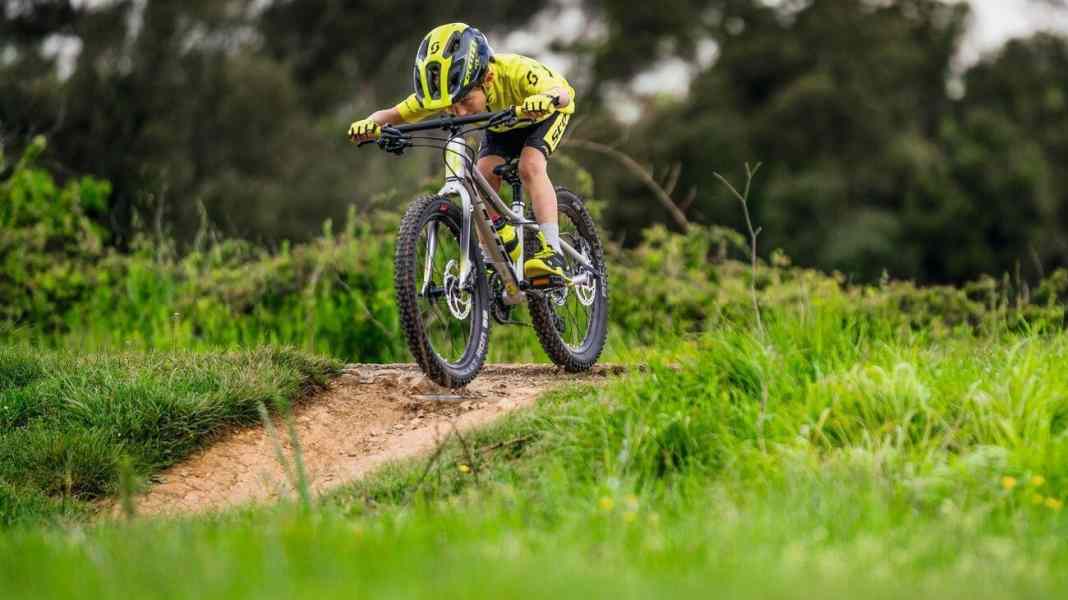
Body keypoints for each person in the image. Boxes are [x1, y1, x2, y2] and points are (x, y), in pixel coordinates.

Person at [348, 22, 576, 279]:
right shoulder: (449, 91)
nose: (459, 113)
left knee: (530, 166)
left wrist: (545, 99)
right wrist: (369, 124)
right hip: (502, 124)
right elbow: (391, 114)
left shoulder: (515, 71)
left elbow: (563, 94)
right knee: (482, 174)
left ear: (487, 78)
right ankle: (500, 237)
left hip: (544, 115)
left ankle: (553, 253)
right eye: (450, 106)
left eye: (466, 101)